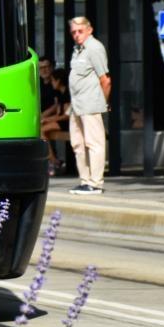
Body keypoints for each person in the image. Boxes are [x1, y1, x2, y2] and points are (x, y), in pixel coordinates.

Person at [66, 16, 112, 195]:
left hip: (90, 103)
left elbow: (105, 80)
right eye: (73, 32)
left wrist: (104, 102)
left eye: (80, 31)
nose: (77, 35)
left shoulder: (94, 48)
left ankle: (95, 183)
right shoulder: (78, 49)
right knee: (77, 143)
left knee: (94, 142)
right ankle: (85, 181)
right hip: (77, 104)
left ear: (89, 30)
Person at [37, 59, 65, 175]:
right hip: (43, 118)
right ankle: (50, 161)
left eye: (46, 67)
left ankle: (52, 161)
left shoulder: (56, 84)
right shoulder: (36, 83)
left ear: (52, 67)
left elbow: (57, 105)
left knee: (40, 130)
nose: (44, 70)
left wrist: (43, 116)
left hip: (56, 118)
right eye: (41, 68)